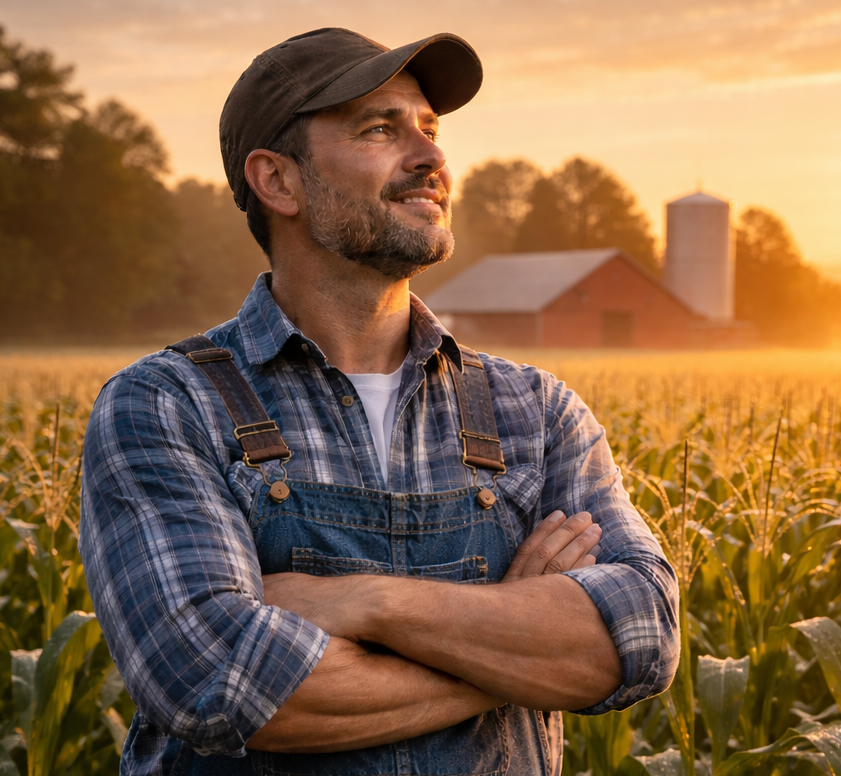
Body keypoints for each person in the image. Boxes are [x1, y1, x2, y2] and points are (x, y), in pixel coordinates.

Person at [79, 28, 678, 776]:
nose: (431, 158)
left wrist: (365, 604)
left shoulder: (536, 411)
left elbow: (638, 638)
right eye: (379, 129)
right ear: (278, 182)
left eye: (430, 130)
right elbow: (217, 683)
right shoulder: (168, 406)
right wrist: (507, 640)